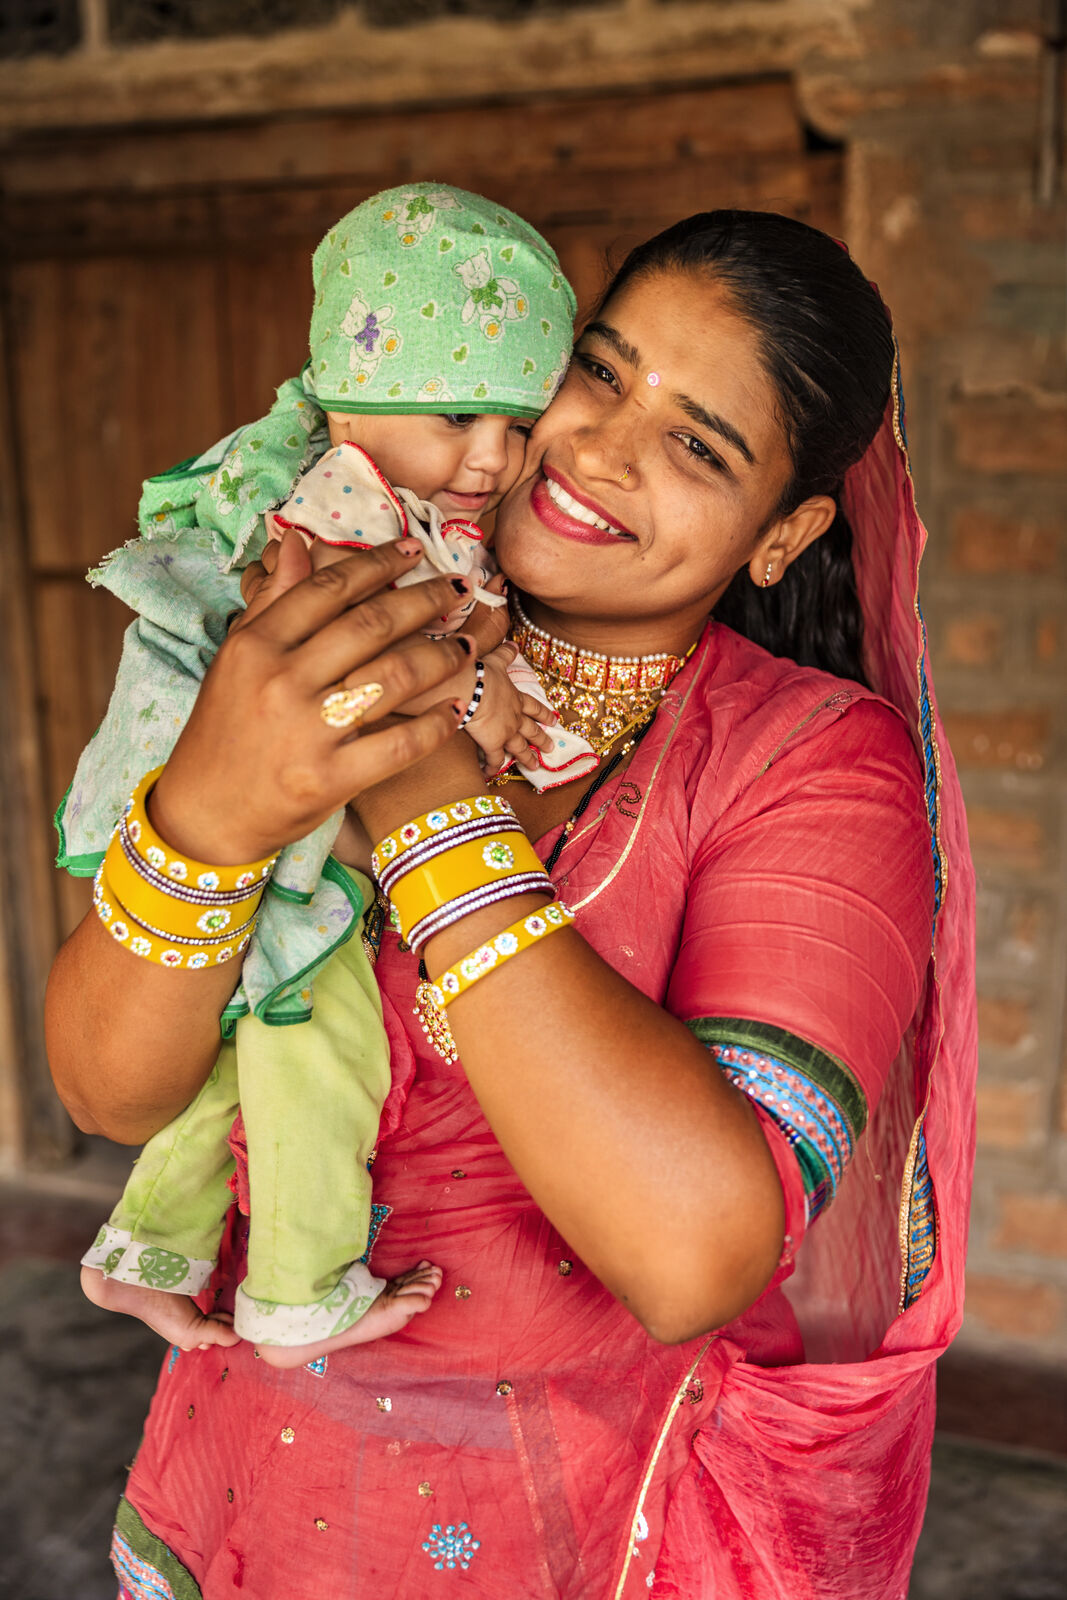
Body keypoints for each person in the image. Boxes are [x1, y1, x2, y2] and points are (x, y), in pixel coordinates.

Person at [45, 208, 976, 1600]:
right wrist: (215, 813)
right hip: (238, 1501)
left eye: (696, 445)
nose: (600, 445)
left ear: (779, 535)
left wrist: (423, 790)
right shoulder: (326, 626)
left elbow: (690, 1256)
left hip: (582, 1533)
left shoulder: (804, 763)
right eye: (596, 373)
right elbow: (108, 1091)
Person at [65, 182, 579, 1362]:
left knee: (249, 1042)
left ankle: (145, 1255)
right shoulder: (342, 509)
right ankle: (296, 1290)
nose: (493, 458)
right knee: (326, 1038)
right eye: (456, 418)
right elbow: (384, 673)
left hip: (285, 824)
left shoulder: (382, 490)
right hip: (284, 830)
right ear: (357, 397)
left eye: (516, 420)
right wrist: (484, 697)